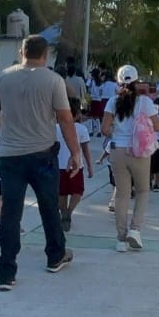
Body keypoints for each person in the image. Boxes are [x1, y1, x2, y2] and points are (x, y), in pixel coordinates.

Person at [0, 34, 80, 291]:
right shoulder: (53, 80)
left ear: (21, 52)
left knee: (10, 213)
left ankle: (6, 272)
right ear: (46, 54)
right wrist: (75, 152)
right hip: (42, 154)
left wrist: (2, 131)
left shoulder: (3, 77)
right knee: (49, 208)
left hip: (10, 156)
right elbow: (65, 119)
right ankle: (55, 255)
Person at [102, 67, 159, 252]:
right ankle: (135, 230)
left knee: (122, 195)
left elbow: (104, 129)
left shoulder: (112, 101)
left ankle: (120, 239)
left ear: (119, 82)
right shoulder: (145, 102)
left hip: (117, 151)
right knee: (143, 191)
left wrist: (117, 133)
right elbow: (158, 126)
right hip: (139, 151)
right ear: (137, 81)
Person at [56, 96, 93, 236]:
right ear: (77, 113)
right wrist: (89, 166)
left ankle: (64, 212)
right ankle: (68, 212)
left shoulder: (55, 128)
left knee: (61, 192)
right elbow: (85, 150)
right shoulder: (81, 129)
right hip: (76, 166)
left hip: (59, 165)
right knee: (77, 192)